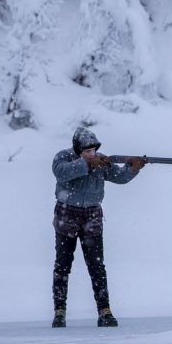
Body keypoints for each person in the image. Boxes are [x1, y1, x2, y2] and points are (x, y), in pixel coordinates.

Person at [50, 127, 146, 328]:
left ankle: (105, 311)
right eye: (87, 151)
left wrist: (133, 168)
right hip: (66, 215)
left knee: (97, 266)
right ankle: (59, 311)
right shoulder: (63, 157)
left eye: (93, 150)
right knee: (62, 264)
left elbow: (119, 177)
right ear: (77, 150)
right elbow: (61, 173)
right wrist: (86, 164)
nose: (92, 154)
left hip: (92, 216)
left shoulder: (102, 160)